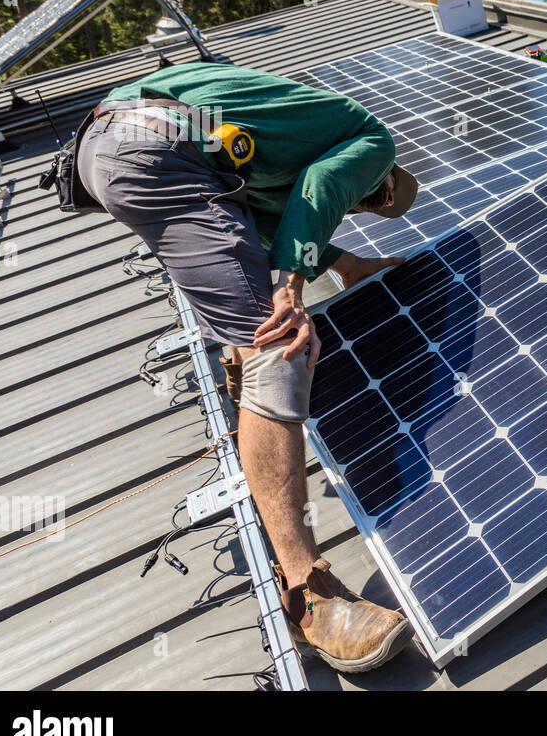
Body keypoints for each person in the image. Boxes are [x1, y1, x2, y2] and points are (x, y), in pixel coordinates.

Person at [75, 61, 418, 673]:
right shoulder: (373, 144)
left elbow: (261, 228)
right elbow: (320, 192)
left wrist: (341, 265)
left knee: (246, 298)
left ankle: (249, 413)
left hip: (108, 148)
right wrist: (293, 287)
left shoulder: (289, 133)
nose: (364, 206)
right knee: (280, 343)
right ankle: (310, 594)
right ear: (383, 186)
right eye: (371, 201)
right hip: (161, 151)